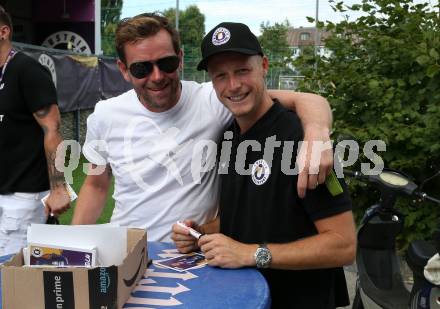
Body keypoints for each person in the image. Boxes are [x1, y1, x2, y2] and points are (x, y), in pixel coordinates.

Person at [72, 13, 334, 242]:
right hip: (130, 249)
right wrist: (73, 244)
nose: (157, 76)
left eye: (166, 63)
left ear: (181, 58)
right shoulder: (105, 116)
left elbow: (306, 100)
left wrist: (316, 135)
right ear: (124, 70)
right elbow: (96, 185)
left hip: (195, 255)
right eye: (141, 68)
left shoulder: (215, 98)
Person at [172, 22, 356, 308]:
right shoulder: (228, 137)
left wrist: (251, 254)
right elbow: (249, 217)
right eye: (221, 76)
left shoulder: (304, 141)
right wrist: (203, 233)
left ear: (264, 66)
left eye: (243, 70)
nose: (233, 85)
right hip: (243, 299)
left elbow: (344, 245)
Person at [0, 6, 70, 255]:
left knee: (11, 279)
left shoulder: (27, 70)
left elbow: (53, 130)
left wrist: (59, 188)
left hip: (22, 198)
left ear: (4, 31)